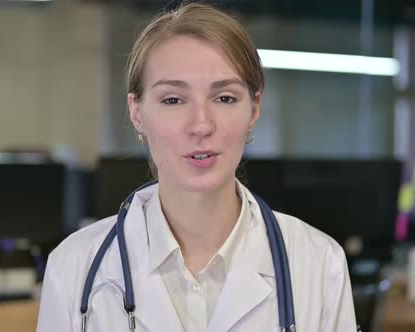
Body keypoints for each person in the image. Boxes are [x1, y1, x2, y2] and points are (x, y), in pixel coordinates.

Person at [37, 2, 357, 331]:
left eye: (225, 98)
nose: (201, 125)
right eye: (173, 100)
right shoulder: (73, 267)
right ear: (137, 112)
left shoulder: (319, 263)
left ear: (254, 108)